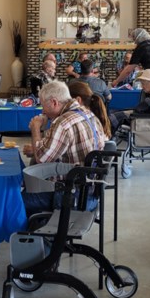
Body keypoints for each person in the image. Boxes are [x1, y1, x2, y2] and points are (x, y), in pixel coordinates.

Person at [22, 81, 105, 217]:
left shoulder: (63, 123)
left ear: (54, 102)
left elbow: (41, 160)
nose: (43, 111)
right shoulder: (89, 114)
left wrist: (36, 128)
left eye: (43, 106)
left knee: (14, 200)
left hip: (69, 195)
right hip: (90, 191)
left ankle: (34, 232)